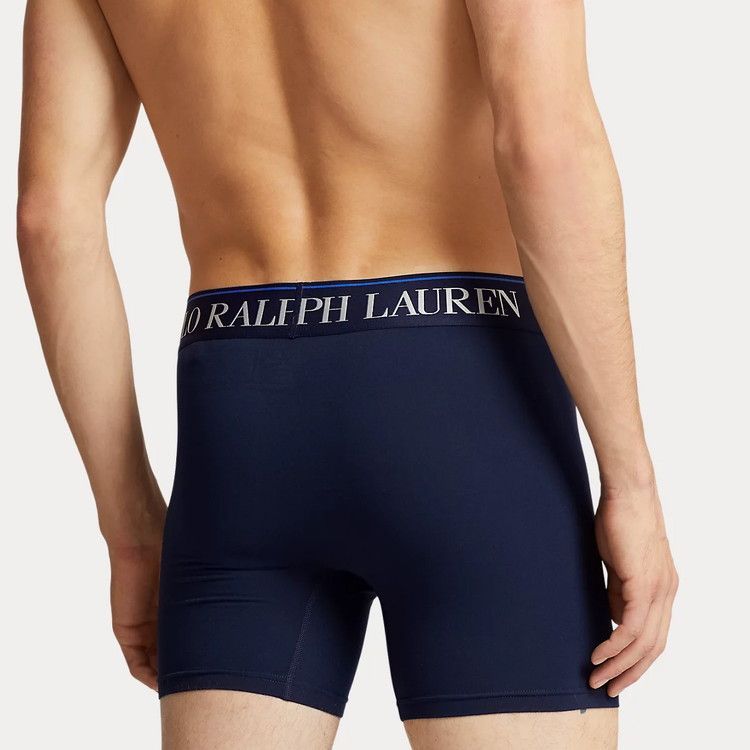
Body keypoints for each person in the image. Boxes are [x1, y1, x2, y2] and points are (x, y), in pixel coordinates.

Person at [17, 1, 677, 748]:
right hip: (464, 406)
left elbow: (51, 218)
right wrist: (632, 482)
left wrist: (130, 527)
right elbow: (545, 146)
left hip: (238, 416)